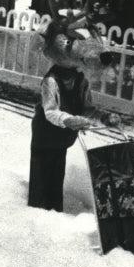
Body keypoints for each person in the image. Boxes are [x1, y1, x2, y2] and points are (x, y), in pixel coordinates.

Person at [28, 21, 118, 213]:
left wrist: (104, 117)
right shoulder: (51, 81)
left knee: (57, 175)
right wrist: (69, 120)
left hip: (62, 139)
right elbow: (50, 111)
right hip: (45, 137)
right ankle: (37, 214)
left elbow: (87, 108)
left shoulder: (80, 81)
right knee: (42, 178)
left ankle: (55, 211)